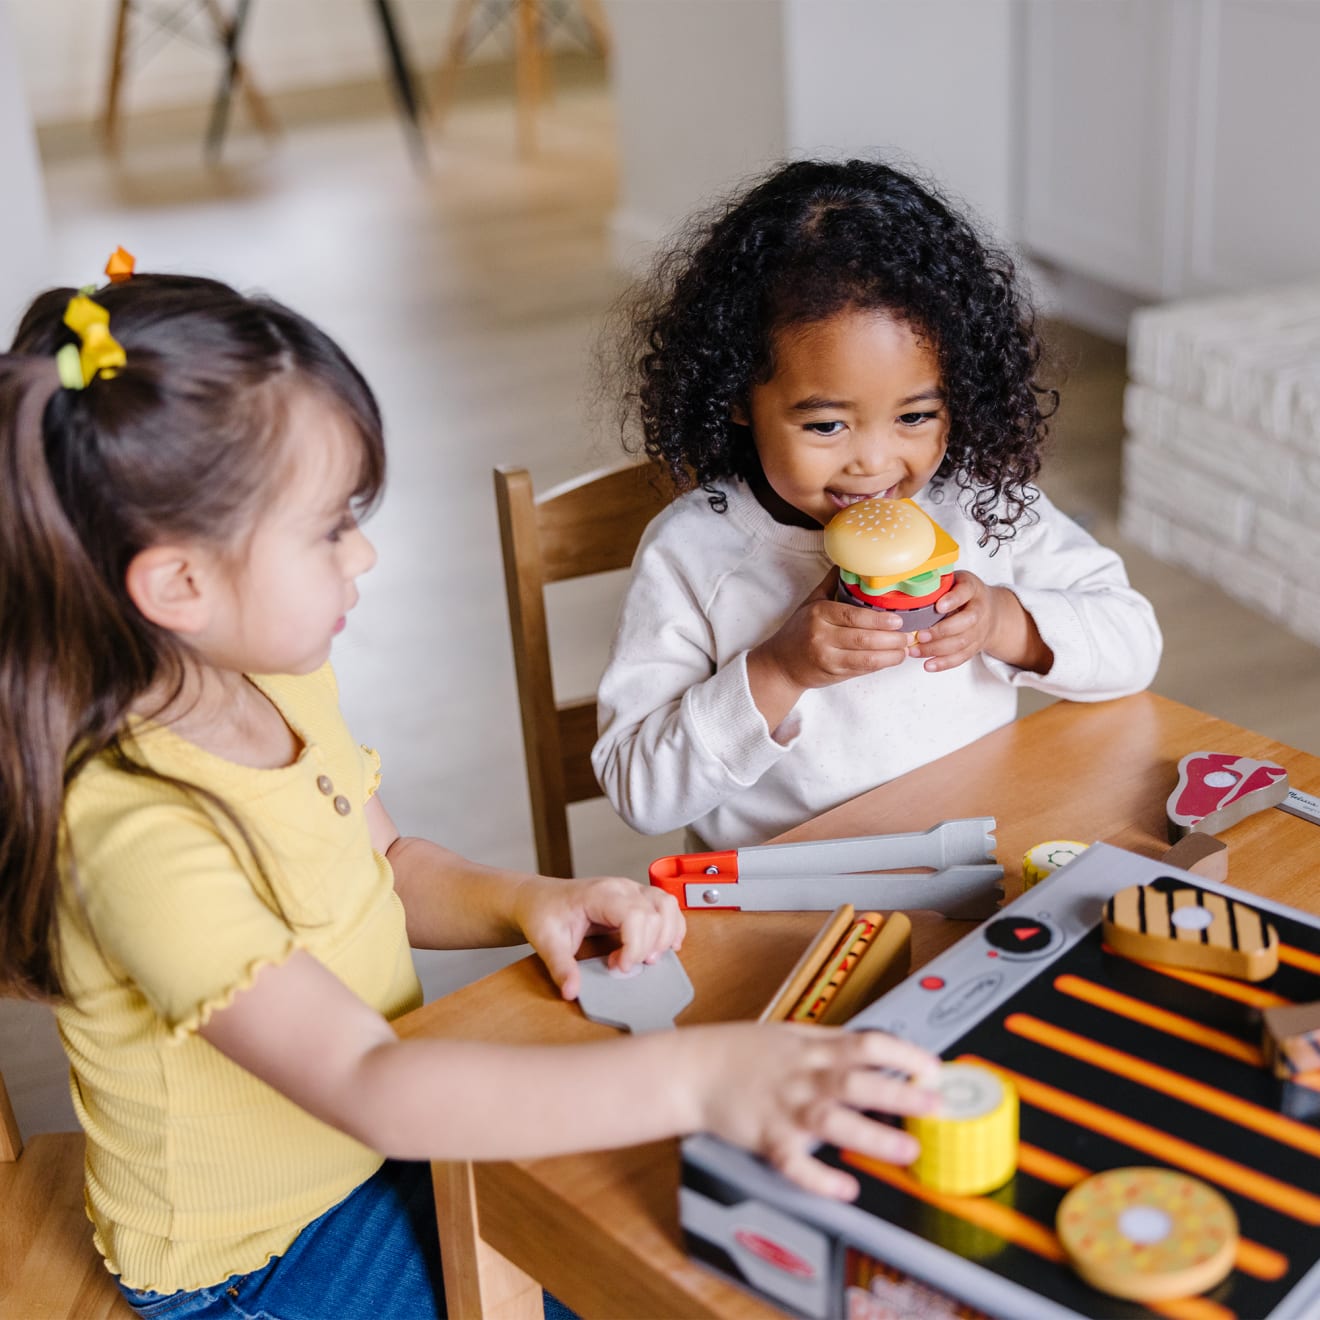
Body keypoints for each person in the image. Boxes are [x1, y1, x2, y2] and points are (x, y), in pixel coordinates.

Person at [0, 265, 940, 1320]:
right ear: (178, 584)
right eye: (327, 529)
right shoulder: (133, 836)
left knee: (664, 1217)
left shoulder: (270, 674)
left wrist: (524, 900)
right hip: (262, 1260)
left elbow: (389, 867)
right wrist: (704, 1077)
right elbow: (368, 1083)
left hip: (381, 1128)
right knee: (640, 1273)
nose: (363, 553)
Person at [593, 158, 1163, 851]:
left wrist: (1005, 622)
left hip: (976, 859)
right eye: (827, 425)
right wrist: (777, 671)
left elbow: (1136, 645)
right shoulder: (695, 554)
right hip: (788, 893)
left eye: (916, 417)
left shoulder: (980, 507)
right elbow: (637, 790)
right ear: (739, 398)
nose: (875, 462)